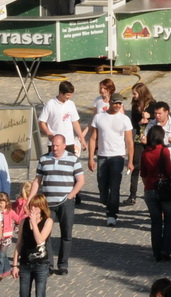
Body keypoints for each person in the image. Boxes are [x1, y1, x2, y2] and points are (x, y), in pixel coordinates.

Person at [35, 132, 84, 275]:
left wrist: (70, 196)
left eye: (57, 145)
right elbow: (37, 180)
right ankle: (49, 264)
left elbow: (80, 180)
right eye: (52, 145)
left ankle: (63, 264)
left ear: (64, 145)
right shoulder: (44, 159)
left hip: (65, 203)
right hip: (48, 203)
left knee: (66, 234)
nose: (54, 148)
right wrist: (31, 198)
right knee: (46, 234)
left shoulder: (73, 159)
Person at [89, 95, 133, 225]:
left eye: (120, 103)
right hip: (102, 155)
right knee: (102, 184)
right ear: (110, 103)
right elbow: (92, 138)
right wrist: (91, 158)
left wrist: (130, 161)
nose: (118, 106)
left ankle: (112, 214)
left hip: (118, 156)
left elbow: (129, 141)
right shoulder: (99, 117)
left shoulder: (125, 119)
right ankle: (106, 201)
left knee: (115, 186)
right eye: (115, 103)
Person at [140, 126, 171, 263]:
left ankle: (156, 252)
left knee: (156, 222)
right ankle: (165, 251)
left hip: (150, 190)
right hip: (165, 191)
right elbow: (170, 171)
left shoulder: (145, 153)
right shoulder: (163, 151)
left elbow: (143, 174)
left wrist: (148, 186)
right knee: (169, 221)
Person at [14, 192, 53, 297]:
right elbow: (19, 243)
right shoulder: (24, 221)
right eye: (31, 205)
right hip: (25, 263)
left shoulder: (48, 221)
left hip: (41, 263)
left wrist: (34, 224)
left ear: (41, 207)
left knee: (40, 293)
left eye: (36, 206)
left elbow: (40, 240)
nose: (33, 209)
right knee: (23, 294)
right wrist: (14, 265)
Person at [38, 81, 85, 156]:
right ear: (61, 93)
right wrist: (48, 133)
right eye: (67, 95)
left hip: (69, 142)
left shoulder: (71, 104)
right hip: (54, 143)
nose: (69, 97)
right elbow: (42, 122)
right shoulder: (50, 104)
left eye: (70, 95)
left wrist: (82, 139)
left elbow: (75, 122)